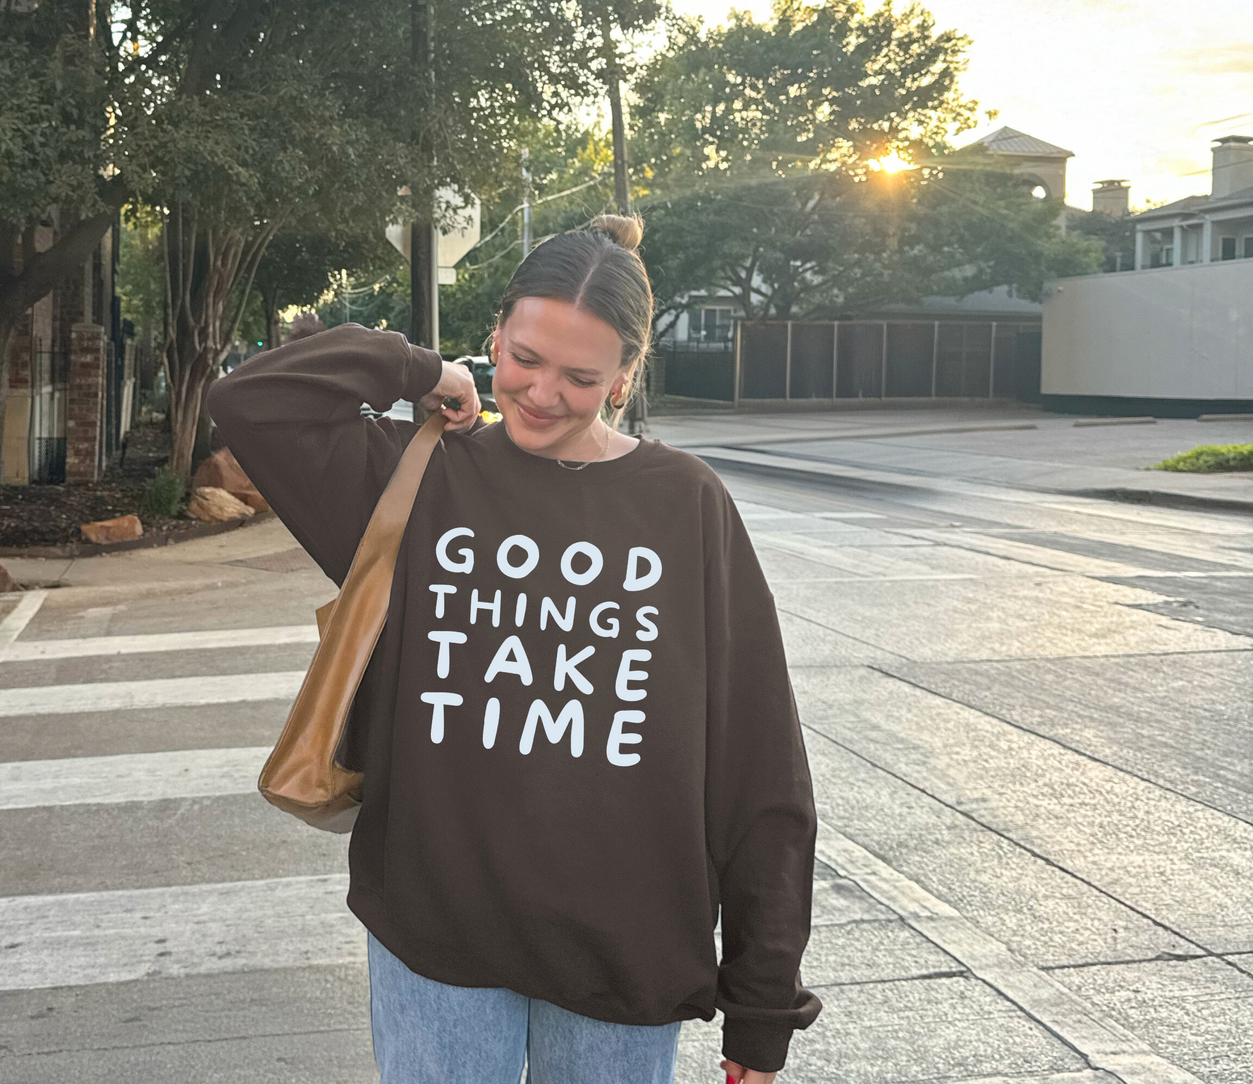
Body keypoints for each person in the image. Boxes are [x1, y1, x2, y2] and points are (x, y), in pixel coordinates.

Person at [206, 213, 821, 1084]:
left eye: (580, 375)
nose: (540, 393)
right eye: (522, 357)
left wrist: (763, 1002)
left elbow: (759, 762)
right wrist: (419, 367)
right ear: (493, 333)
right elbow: (249, 399)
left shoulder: (684, 504)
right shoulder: (420, 476)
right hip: (437, 935)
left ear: (625, 377)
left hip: (625, 950)